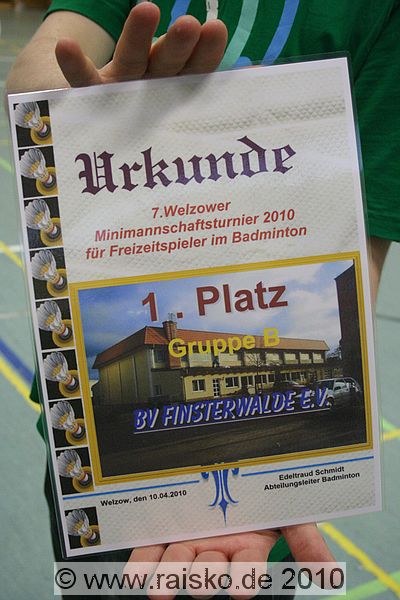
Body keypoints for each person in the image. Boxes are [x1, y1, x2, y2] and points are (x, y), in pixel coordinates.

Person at [6, 1, 398, 596]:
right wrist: (75, 107)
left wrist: (301, 464)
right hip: (89, 457)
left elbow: (358, 239)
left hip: (263, 505)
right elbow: (38, 66)